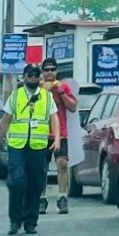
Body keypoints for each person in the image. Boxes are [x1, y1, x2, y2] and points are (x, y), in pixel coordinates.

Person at [0, 64, 60, 235]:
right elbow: (5, 121)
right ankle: (15, 220)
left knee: (36, 184)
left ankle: (30, 221)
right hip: (17, 147)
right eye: (30, 75)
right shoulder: (15, 97)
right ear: (24, 77)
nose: (33, 78)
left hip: (37, 147)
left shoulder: (46, 97)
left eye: (36, 75)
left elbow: (54, 119)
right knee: (17, 181)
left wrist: (57, 138)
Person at [39, 57, 78, 215]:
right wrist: (45, 91)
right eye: (46, 70)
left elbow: (73, 107)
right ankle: (41, 198)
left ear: (57, 71)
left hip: (60, 134)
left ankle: (62, 197)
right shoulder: (37, 88)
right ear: (42, 72)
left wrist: (61, 92)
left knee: (62, 164)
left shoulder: (63, 87)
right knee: (41, 169)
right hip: (41, 135)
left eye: (52, 70)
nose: (50, 73)